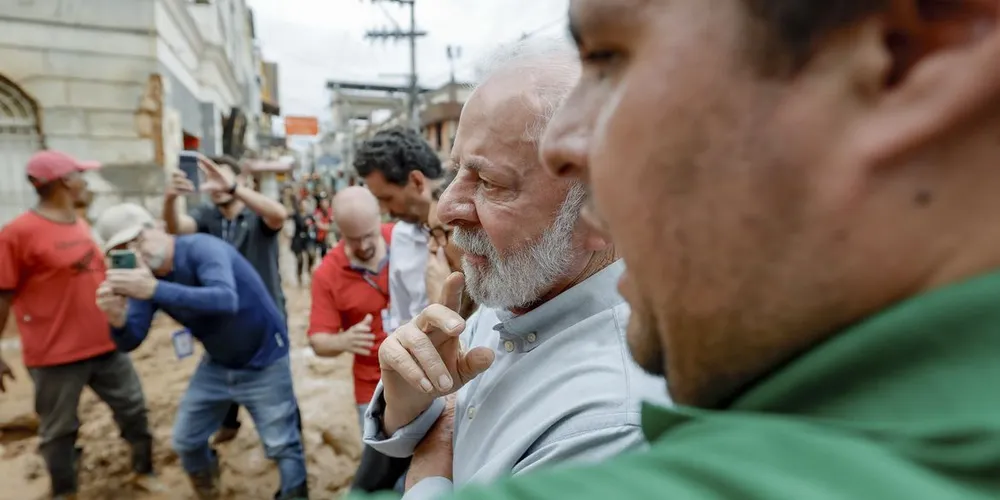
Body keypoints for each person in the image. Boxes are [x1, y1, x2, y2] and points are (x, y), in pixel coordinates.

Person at [360, 1, 1000, 499]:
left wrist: (429, 474)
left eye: (611, 58)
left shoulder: (622, 421)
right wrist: (416, 418)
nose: (575, 145)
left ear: (908, 56)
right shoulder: (511, 292)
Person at [362, 38, 669, 500]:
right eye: (456, 171)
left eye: (489, 182)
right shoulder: (522, 282)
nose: (446, 207)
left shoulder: (612, 426)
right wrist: (410, 403)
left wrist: (429, 468)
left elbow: (444, 440)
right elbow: (447, 414)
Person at [94, 203, 307, 500]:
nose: (137, 252)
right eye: (123, 249)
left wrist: (153, 289)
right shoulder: (147, 280)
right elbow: (131, 340)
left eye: (138, 240)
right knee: (185, 439)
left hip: (264, 358)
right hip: (218, 363)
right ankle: (209, 487)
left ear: (159, 227)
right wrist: (117, 319)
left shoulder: (201, 249)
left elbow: (224, 299)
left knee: (283, 445)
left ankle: (295, 494)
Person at [0, 151, 160, 498]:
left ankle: (143, 471)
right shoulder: (17, 234)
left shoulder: (81, 223)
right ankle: (64, 491)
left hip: (106, 344)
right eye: (80, 176)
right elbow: (2, 296)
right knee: (59, 431)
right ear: (63, 183)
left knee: (134, 408)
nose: (86, 183)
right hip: (54, 354)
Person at [163, 154, 289, 444]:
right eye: (210, 180)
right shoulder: (207, 217)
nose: (215, 186)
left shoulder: (257, 216)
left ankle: (287, 438)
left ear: (239, 181)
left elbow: (279, 215)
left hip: (265, 319)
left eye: (221, 178)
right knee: (224, 369)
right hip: (223, 317)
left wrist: (233, 188)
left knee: (275, 382)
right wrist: (170, 198)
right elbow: (175, 229)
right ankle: (229, 424)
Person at [307, 187, 394, 428]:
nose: (365, 245)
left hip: (425, 373)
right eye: (354, 239)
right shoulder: (327, 273)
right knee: (378, 460)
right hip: (373, 387)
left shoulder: (406, 240)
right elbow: (318, 340)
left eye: (369, 234)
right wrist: (343, 341)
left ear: (380, 218)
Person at [353, 127, 444, 331]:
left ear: (416, 181)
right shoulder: (401, 236)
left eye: (387, 198)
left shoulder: (472, 229)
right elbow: (400, 319)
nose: (385, 210)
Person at [290, 198, 317, 285]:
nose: (304, 206)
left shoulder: (310, 216)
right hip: (298, 240)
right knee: (300, 259)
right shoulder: (296, 215)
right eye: (302, 205)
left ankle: (309, 272)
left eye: (305, 205)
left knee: (311, 254)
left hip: (308, 239)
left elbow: (315, 225)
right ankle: (299, 276)